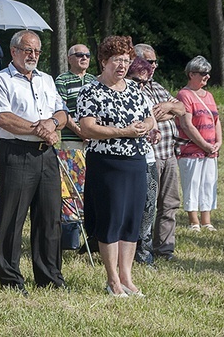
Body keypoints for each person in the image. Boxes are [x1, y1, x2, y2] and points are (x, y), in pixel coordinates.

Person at [0, 30, 67, 294]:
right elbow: (3, 118)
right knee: (12, 216)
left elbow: (61, 113)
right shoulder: (1, 80)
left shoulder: (46, 79)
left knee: (49, 216)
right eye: (27, 50)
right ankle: (10, 278)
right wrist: (38, 128)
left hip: (47, 154)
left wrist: (52, 124)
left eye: (37, 51)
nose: (33, 55)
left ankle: (49, 276)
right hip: (17, 152)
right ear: (13, 51)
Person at [76, 35, 154, 297]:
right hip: (107, 163)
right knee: (111, 220)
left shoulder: (134, 88)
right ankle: (112, 281)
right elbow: (87, 128)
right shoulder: (91, 89)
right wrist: (123, 131)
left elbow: (151, 118)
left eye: (125, 60)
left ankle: (127, 278)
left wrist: (145, 127)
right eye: (116, 61)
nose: (121, 66)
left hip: (135, 161)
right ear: (103, 61)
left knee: (131, 221)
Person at [134, 43, 185, 261]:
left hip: (168, 154)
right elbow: (144, 117)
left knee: (170, 203)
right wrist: (162, 115)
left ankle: (164, 249)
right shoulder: (131, 86)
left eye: (155, 61)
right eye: (149, 61)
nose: (154, 66)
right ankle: (140, 249)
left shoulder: (157, 87)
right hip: (148, 156)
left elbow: (182, 108)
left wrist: (167, 106)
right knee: (146, 205)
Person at [175, 56, 222, 232]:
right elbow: (187, 125)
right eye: (203, 73)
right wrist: (204, 145)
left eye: (208, 73)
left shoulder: (208, 95)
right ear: (191, 74)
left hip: (210, 150)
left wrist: (218, 142)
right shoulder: (184, 95)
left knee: (209, 183)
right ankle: (193, 221)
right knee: (192, 184)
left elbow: (216, 120)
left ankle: (206, 220)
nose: (207, 77)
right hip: (191, 149)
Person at [126, 57, 161, 266]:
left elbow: (153, 124)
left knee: (149, 209)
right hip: (127, 160)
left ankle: (144, 254)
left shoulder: (145, 99)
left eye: (144, 82)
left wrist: (155, 133)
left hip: (148, 159)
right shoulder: (119, 97)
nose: (140, 86)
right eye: (136, 80)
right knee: (127, 208)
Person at [55, 44, 95, 151]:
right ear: (69, 59)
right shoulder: (62, 80)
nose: (84, 58)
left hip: (94, 141)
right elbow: (62, 110)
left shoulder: (95, 81)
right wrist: (80, 132)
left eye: (87, 55)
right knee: (72, 168)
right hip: (70, 140)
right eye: (79, 55)